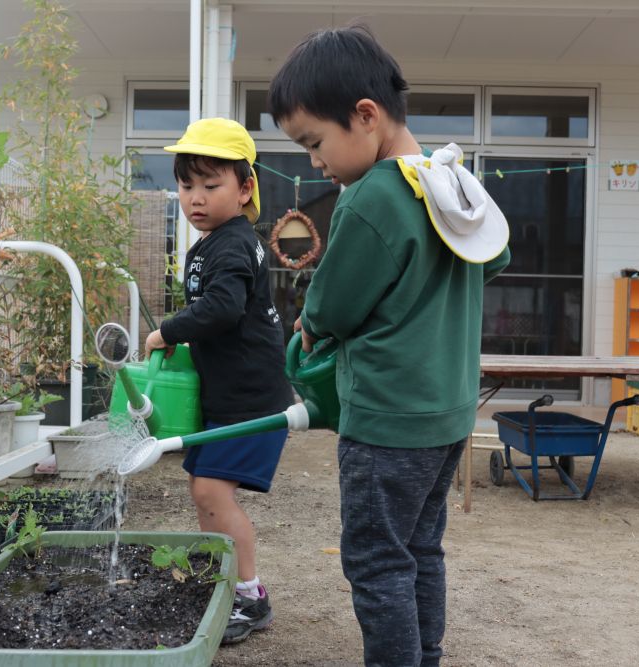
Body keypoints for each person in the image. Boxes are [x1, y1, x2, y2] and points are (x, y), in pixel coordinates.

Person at [267, 25, 512, 667]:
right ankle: (425, 656)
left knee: (377, 561)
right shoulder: (448, 182)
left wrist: (310, 324)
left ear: (366, 117)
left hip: (389, 419)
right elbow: (496, 256)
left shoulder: (375, 195)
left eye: (315, 143)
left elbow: (332, 306)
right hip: (449, 412)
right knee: (420, 549)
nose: (314, 162)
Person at [145, 117, 293, 645]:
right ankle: (226, 583)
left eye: (212, 186)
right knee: (204, 491)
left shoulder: (230, 244)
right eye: (187, 186)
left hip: (251, 402)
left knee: (210, 489)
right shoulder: (221, 241)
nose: (196, 199)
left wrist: (168, 330)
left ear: (245, 187)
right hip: (234, 396)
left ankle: (250, 597)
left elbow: (223, 308)